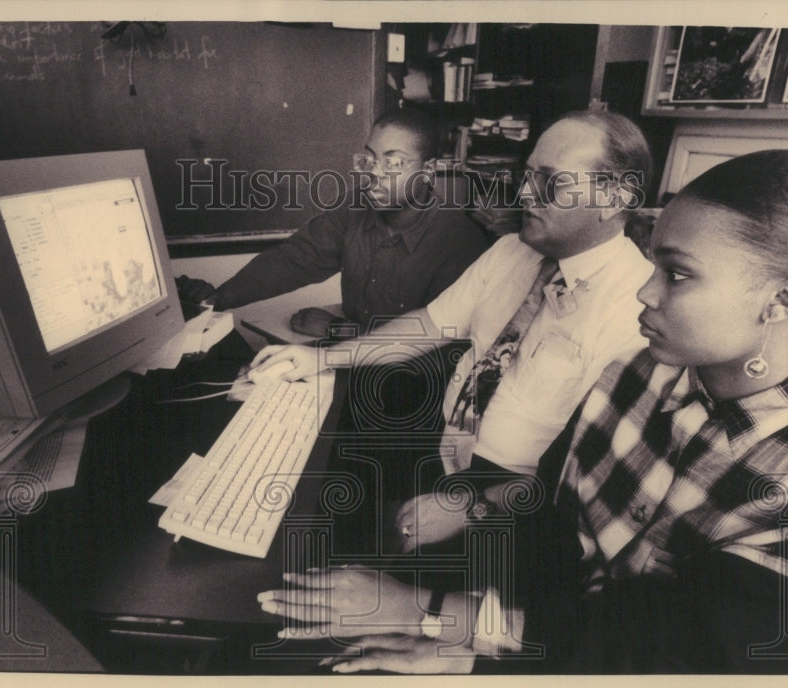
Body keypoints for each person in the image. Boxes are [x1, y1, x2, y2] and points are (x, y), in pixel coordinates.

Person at [256, 149, 788, 674]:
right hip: (550, 649)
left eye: (678, 274)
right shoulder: (635, 374)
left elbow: (668, 659)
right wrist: (470, 644)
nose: (645, 290)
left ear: (784, 299)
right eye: (655, 261)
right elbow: (559, 534)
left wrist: (433, 614)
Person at [250, 109, 654, 490]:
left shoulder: (639, 309)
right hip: (445, 450)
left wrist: (475, 506)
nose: (525, 193)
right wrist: (322, 358)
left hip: (513, 493)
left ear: (616, 199)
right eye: (526, 175)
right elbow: (429, 325)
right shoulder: (510, 252)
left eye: (551, 182)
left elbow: (587, 476)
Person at [176, 107, 489, 338]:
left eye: (393, 163)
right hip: (347, 362)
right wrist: (219, 297)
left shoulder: (460, 243)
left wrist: (337, 328)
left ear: (429, 169)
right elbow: (294, 260)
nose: (373, 175)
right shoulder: (356, 207)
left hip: (406, 390)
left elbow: (430, 342)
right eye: (368, 160)